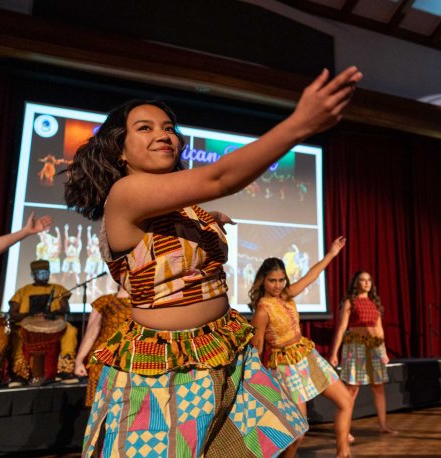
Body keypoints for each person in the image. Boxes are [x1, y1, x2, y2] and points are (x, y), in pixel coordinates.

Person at [64, 65, 361, 457]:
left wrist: (208, 221)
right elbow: (220, 178)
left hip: (222, 351)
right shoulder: (125, 192)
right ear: (118, 149)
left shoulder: (182, 205)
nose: (163, 134)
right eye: (145, 128)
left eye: (168, 127)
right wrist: (299, 126)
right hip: (166, 370)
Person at [249, 239, 353, 458]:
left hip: (307, 355)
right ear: (263, 281)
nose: (277, 285)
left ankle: (343, 453)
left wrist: (332, 253)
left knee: (345, 400)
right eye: (272, 281)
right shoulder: (262, 310)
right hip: (286, 365)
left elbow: (311, 277)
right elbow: (256, 347)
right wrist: (255, 379)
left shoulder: (287, 294)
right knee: (298, 433)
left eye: (281, 279)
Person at [329, 271, 397, 437]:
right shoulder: (350, 302)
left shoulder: (374, 302)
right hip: (356, 347)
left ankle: (383, 425)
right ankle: (345, 431)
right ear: (356, 283)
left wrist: (384, 350)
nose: (366, 283)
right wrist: (334, 353)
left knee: (378, 387)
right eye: (362, 280)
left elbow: (379, 328)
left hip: (375, 348)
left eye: (369, 280)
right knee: (352, 389)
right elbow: (342, 328)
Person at [8, 259, 77, 385]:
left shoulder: (58, 289)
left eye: (46, 273)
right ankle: (20, 373)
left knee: (70, 330)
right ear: (33, 275)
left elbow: (65, 308)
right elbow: (12, 313)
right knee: (16, 334)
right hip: (27, 328)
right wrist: (28, 314)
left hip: (55, 327)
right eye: (40, 273)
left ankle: (65, 370)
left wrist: (54, 312)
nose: (44, 276)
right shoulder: (23, 291)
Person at [73, 287, 131, 407]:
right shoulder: (105, 301)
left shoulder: (144, 303)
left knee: (126, 410)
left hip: (131, 362)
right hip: (104, 361)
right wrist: (79, 361)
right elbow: (91, 333)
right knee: (100, 409)